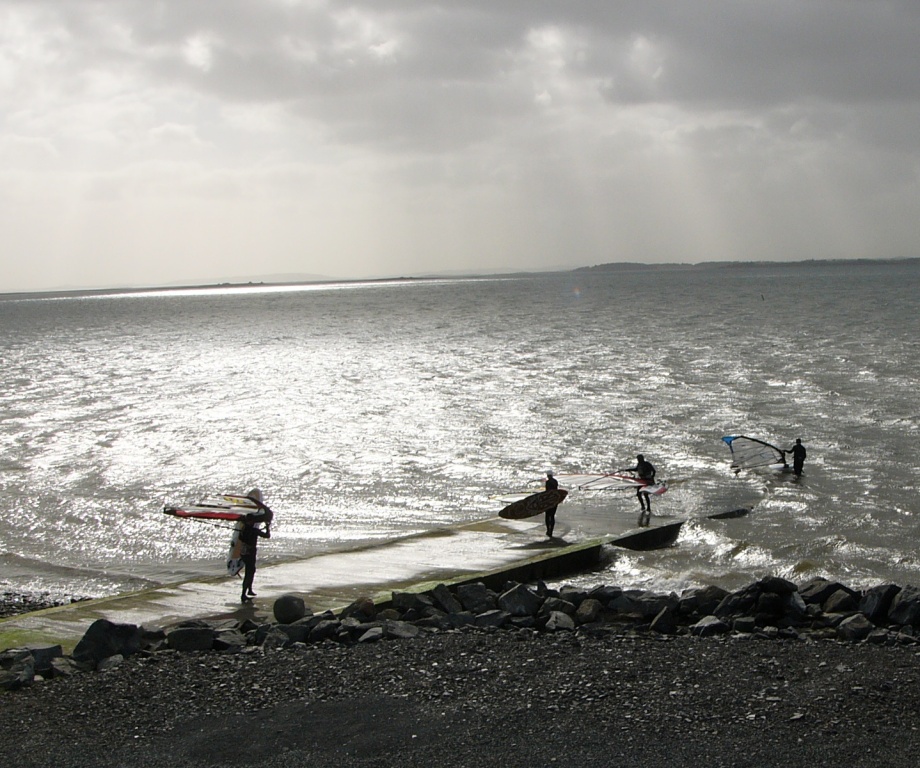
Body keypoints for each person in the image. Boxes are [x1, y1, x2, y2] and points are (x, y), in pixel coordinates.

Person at [239, 488, 271, 604]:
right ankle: (244, 594)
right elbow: (267, 536)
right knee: (250, 571)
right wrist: (267, 527)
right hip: (250, 553)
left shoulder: (244, 529)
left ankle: (249, 590)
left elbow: (240, 539)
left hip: (244, 553)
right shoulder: (253, 530)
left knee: (251, 571)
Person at [622, 454, 656, 527]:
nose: (638, 460)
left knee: (645, 494)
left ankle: (648, 508)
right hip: (641, 480)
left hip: (647, 480)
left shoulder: (647, 464)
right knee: (638, 494)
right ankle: (643, 506)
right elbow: (636, 469)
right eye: (638, 459)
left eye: (639, 459)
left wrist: (651, 478)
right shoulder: (639, 464)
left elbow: (654, 471)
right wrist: (627, 470)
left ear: (642, 458)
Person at [544, 471, 559, 538]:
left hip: (548, 501)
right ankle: (551, 530)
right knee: (552, 516)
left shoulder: (547, 482)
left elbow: (547, 492)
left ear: (548, 476)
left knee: (547, 516)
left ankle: (548, 530)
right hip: (555, 501)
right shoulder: (555, 481)